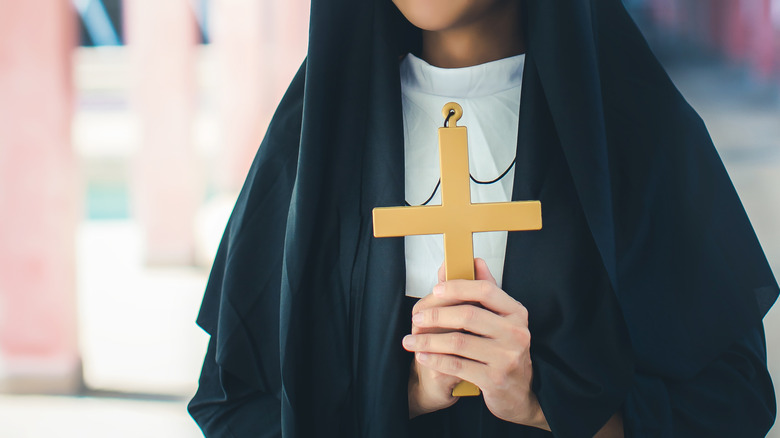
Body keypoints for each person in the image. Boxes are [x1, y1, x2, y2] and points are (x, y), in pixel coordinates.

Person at [188, 0, 779, 436]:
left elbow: (734, 399)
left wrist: (546, 403)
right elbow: (233, 403)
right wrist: (403, 393)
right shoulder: (315, 143)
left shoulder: (634, 135)